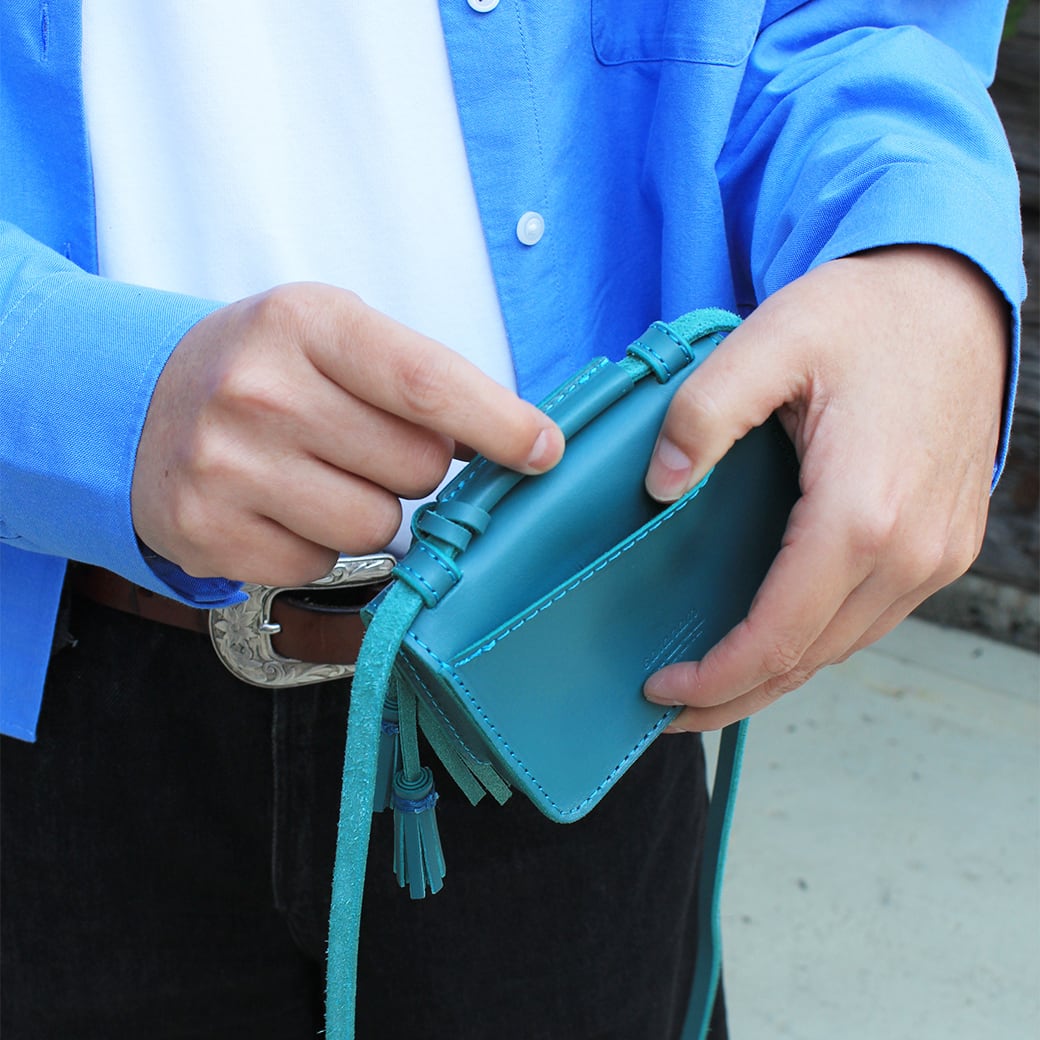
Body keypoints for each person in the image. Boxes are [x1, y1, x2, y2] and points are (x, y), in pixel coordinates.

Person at [0, 3, 1025, 1038]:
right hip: (47, 676)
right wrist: (76, 389)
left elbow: (849, 26)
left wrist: (917, 246)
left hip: (576, 653)